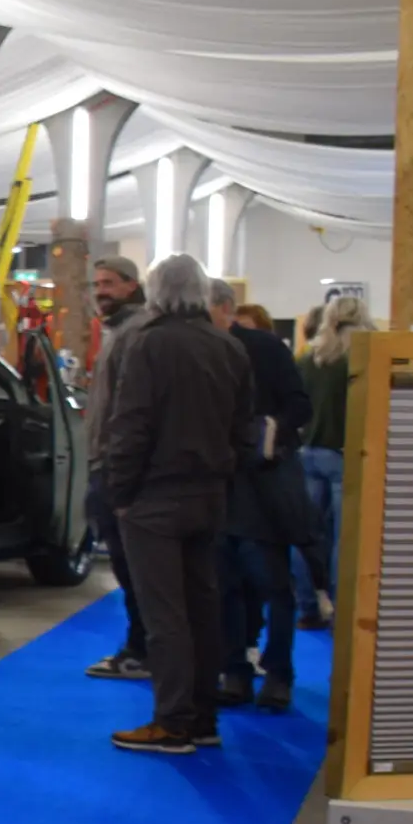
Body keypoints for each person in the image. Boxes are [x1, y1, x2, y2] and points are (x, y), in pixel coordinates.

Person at [105, 255, 255, 756]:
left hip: (155, 496)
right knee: (202, 609)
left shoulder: (150, 344)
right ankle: (202, 717)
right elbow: (244, 428)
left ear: (154, 292)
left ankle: (171, 722)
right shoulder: (228, 347)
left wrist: (119, 493)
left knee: (164, 615)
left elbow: (132, 425)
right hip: (210, 495)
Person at [213, 279, 313, 714]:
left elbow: (299, 406)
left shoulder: (265, 348)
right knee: (226, 586)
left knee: (272, 585)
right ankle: (235, 669)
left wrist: (268, 432)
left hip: (262, 484)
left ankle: (278, 673)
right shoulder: (200, 351)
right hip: (218, 485)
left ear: (224, 308)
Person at [83, 254, 154, 680]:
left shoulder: (135, 333)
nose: (101, 291)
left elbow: (131, 409)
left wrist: (116, 470)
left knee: (134, 569)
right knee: (129, 569)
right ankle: (140, 646)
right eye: (97, 284)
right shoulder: (116, 332)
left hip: (119, 467)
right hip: (109, 462)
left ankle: (141, 651)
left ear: (132, 285)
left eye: (109, 283)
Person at [298, 293, 364, 625]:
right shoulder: (361, 361)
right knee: (343, 538)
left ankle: (307, 605)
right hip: (344, 456)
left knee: (306, 535)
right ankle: (341, 609)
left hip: (306, 452)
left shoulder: (309, 359)